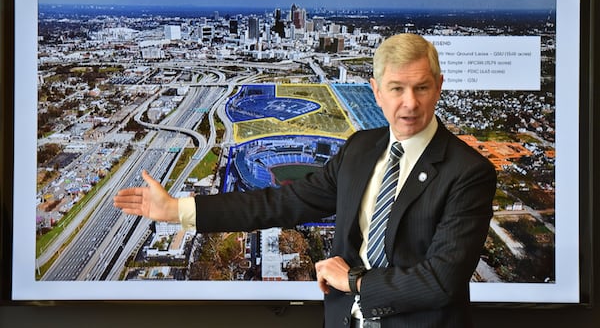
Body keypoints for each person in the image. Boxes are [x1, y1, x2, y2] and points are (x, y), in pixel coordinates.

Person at [114, 33, 497, 327]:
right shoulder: (360, 150)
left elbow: (441, 281)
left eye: (421, 87)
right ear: (377, 92)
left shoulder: (468, 172)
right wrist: (179, 209)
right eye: (396, 89)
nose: (409, 103)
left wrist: (356, 281)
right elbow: (281, 203)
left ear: (440, 87)